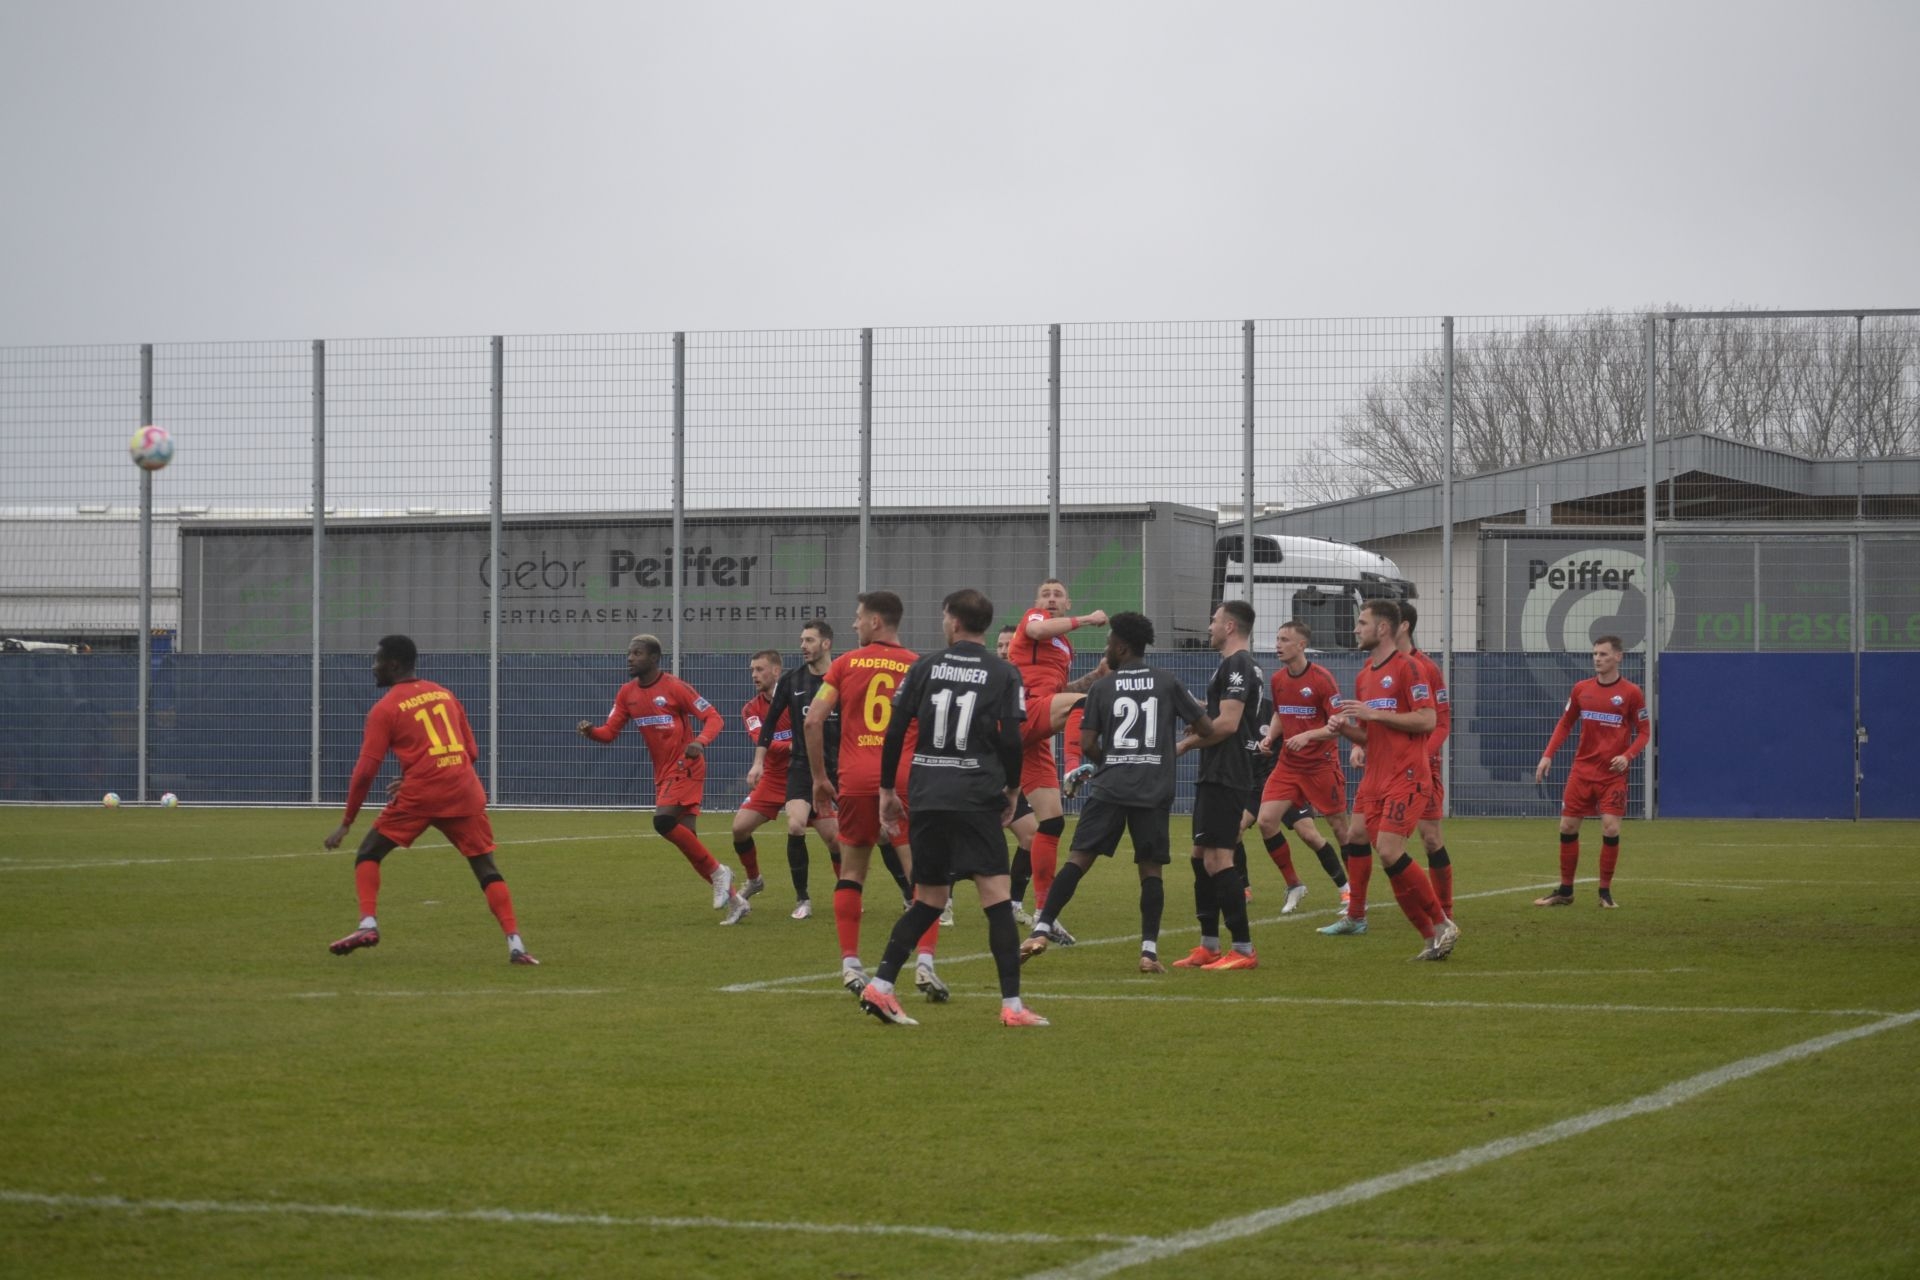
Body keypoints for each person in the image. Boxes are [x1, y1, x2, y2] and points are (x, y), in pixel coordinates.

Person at [859, 589, 1045, 1027]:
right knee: (996, 899)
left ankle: (881, 985)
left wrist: (887, 790)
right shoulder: (1003, 672)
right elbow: (1012, 738)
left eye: (944, 616)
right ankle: (1012, 1006)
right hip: (975, 795)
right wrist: (1013, 789)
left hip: (928, 794)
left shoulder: (924, 666)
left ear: (954, 622)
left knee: (929, 900)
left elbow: (895, 730)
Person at [324, 634, 537, 965]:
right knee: (485, 867)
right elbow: (471, 752)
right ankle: (516, 945)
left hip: (422, 795)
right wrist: (427, 771)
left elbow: (365, 772)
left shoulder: (385, 709)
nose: (373, 667)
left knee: (369, 852)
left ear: (394, 664)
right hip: (463, 791)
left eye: (377, 660)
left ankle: (367, 924)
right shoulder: (444, 694)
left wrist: (347, 822)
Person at [1020, 611, 1212, 973]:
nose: (1106, 646)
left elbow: (1087, 743)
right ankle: (1148, 953)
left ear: (1122, 647)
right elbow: (1206, 727)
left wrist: (1110, 761)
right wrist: (1173, 744)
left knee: (1078, 860)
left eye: (1109, 640)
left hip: (1110, 786)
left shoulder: (1102, 688)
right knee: (1151, 870)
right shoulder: (1167, 681)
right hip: (1153, 789)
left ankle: (1041, 929)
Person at [803, 591, 943, 999]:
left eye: (859, 617)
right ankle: (925, 964)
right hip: (905, 779)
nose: (854, 624)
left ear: (876, 622)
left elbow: (812, 721)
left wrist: (819, 777)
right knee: (923, 876)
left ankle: (850, 965)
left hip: (857, 780)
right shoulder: (918, 665)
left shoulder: (845, 664)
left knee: (852, 873)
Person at [1314, 600, 1457, 959]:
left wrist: (1375, 715)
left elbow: (1428, 720)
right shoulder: (1364, 675)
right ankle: (1428, 937)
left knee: (1393, 851)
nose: (1355, 629)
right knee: (1363, 841)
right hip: (1374, 778)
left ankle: (1443, 921)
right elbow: (1369, 735)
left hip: (1406, 775)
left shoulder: (1411, 667)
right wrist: (1344, 729)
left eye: (1362, 623)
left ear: (1383, 628)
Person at [577, 633, 745, 922]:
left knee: (663, 821)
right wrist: (591, 731)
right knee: (690, 843)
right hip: (664, 772)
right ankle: (736, 901)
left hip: (686, 766)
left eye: (637, 653)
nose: (630, 658)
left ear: (654, 658)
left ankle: (720, 872)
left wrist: (700, 741)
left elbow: (714, 718)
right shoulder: (626, 693)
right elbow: (609, 733)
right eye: (629, 653)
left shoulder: (675, 687)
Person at [1007, 579, 1109, 937]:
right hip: (1021, 712)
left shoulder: (1064, 646)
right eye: (1045, 594)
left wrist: (1096, 676)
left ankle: (1043, 913)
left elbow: (1061, 693)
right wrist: (1089, 619)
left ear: (1067, 603)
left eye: (1057, 595)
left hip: (1035, 728)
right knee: (1085, 705)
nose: (1051, 599)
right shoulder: (1034, 620)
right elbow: (1037, 630)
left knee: (1050, 823)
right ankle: (1074, 767)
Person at [1169, 601, 1264, 970]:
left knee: (1218, 859)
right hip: (1216, 771)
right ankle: (1208, 944)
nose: (1209, 627)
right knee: (1199, 856)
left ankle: (1243, 949)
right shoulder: (1232, 665)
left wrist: (1184, 745)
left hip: (1228, 772)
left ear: (1230, 627)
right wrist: (1201, 717)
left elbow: (1228, 725)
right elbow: (1221, 719)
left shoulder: (1238, 664)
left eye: (1213, 620)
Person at [1533, 635, 1649, 908]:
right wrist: (1547, 755)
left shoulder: (1631, 692)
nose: (1597, 658)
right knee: (1567, 826)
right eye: (1595, 654)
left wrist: (1627, 756)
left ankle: (1605, 893)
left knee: (1610, 828)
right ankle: (1565, 891)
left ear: (1618, 657)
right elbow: (1565, 723)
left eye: (1603, 654)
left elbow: (1644, 732)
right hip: (1582, 771)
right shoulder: (1581, 689)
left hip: (1612, 774)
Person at [1254, 619, 1353, 914]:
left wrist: (1309, 735)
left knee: (1340, 829)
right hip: (1288, 766)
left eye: (1284, 640)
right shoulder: (1278, 679)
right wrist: (1270, 737)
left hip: (1321, 766)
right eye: (1277, 639)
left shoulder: (1322, 679)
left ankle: (1353, 895)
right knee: (1266, 822)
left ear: (1301, 645)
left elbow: (1339, 724)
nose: (1278, 645)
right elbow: (1280, 714)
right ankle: (1294, 884)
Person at [751, 618, 842, 920]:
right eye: (802, 640)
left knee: (843, 838)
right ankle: (803, 899)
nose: (803, 645)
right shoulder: (792, 681)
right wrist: (759, 762)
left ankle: (864, 892)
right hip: (802, 768)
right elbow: (769, 724)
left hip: (840, 768)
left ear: (826, 644)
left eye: (809, 640)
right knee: (795, 825)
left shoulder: (844, 678)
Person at [1396, 603, 1455, 920]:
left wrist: (1420, 754)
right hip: (1387, 768)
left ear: (1402, 625)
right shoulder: (1374, 666)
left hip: (1421, 767)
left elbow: (1442, 723)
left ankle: (1445, 912)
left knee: (1431, 839)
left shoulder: (1427, 667)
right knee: (1366, 836)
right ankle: (1355, 910)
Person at [997, 623, 1040, 927]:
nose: (1003, 650)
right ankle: (941, 903)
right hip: (981, 775)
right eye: (1000, 645)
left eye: (1008, 645)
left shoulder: (1024, 681)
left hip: (1010, 777)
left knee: (1031, 835)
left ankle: (1013, 904)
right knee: (964, 841)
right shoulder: (989, 678)